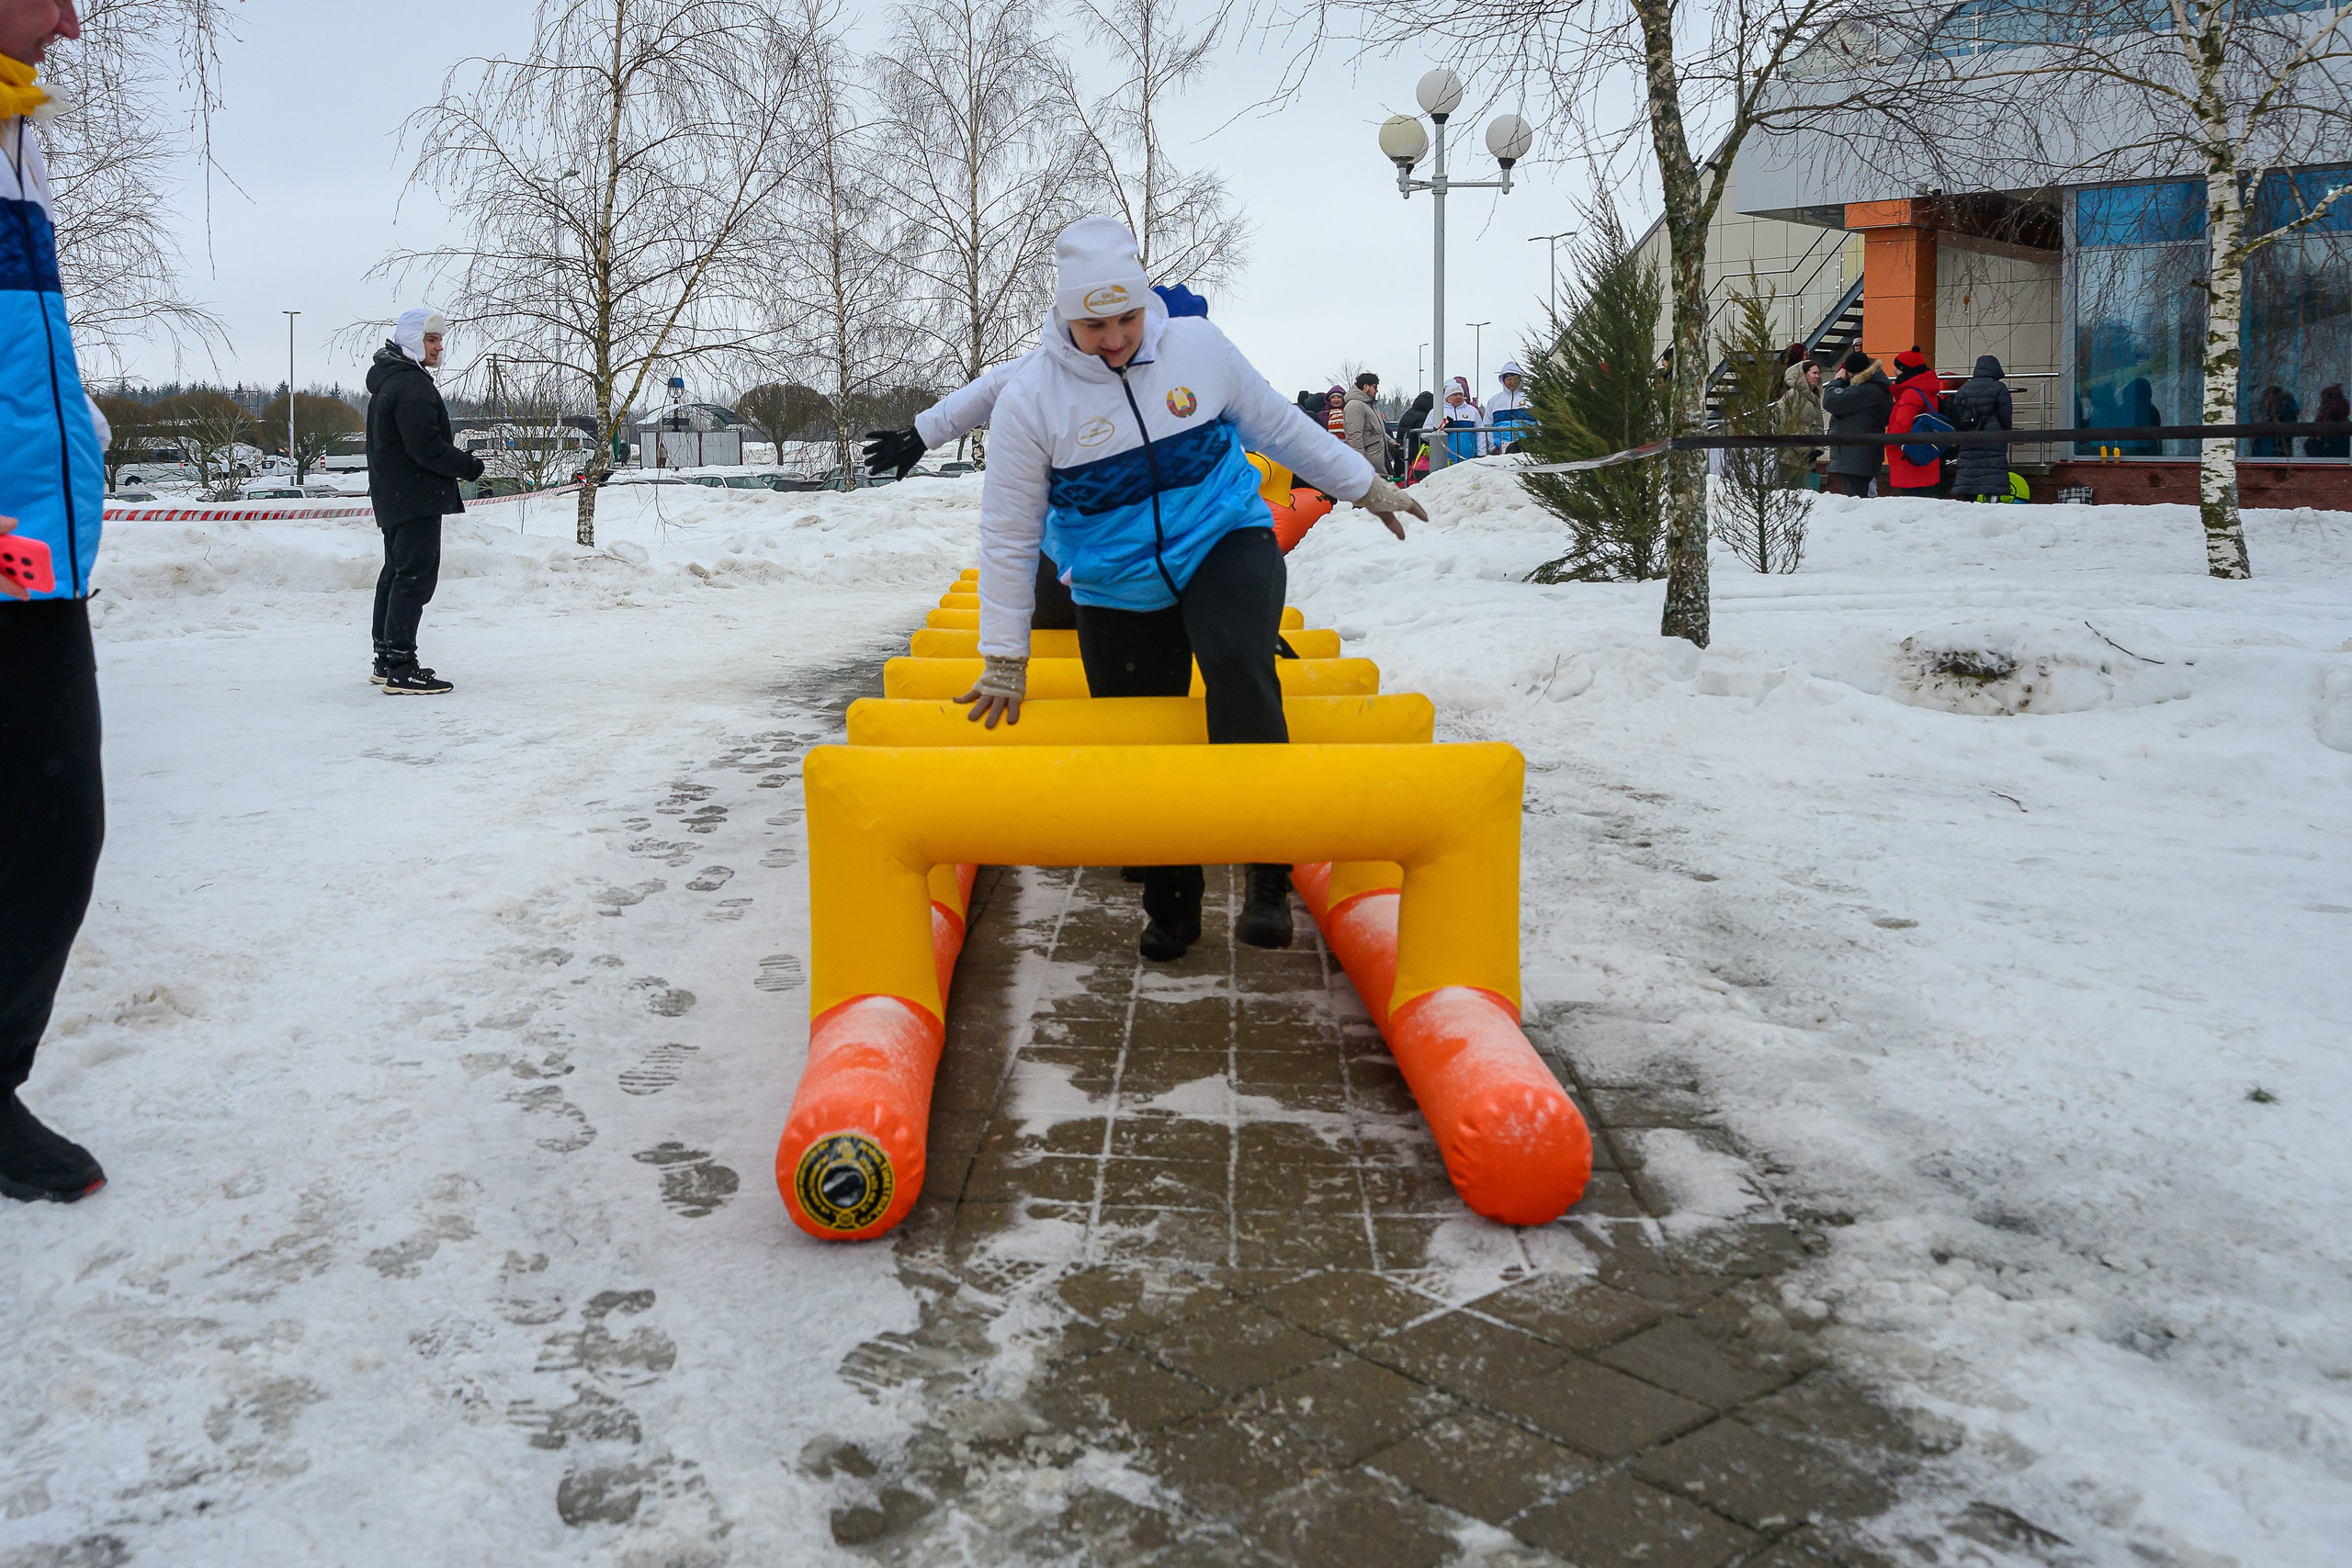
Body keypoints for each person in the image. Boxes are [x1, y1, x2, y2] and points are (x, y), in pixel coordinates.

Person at [956, 217, 1426, 962]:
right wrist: (1005, 657)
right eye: (1094, 325)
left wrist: (1365, 485)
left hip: (1223, 538)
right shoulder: (1032, 400)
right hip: (1115, 581)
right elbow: (1009, 534)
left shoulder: (1196, 349)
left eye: (1126, 318)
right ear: (1065, 317)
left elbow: (1278, 425)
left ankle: (1268, 869)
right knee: (1142, 734)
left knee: (1238, 662)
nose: (1115, 338)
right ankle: (1172, 900)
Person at [1, 0, 111, 1205]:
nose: (71, 23)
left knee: (52, 822)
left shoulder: (14, 135)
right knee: (48, 820)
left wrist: (80, 431)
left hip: (32, 543)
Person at [862, 285, 1209, 632]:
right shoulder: (1071, 364)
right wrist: (922, 433)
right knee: (1053, 608)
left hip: (1170, 540)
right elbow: (993, 386)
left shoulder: (1199, 383)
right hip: (1080, 546)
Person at [366, 309, 485, 694]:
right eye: (431, 340)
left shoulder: (390, 380)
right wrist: (468, 466)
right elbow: (426, 447)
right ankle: (402, 667)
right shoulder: (411, 385)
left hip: (395, 496)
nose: (438, 347)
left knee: (395, 574)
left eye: (439, 340)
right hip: (415, 497)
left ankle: (386, 659)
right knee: (414, 579)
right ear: (412, 340)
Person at [1820, 351, 1893, 497]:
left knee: (1856, 499)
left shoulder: (1865, 390)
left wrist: (1837, 381)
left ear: (1851, 372)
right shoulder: (1877, 387)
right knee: (1862, 497)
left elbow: (1831, 401)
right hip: (1864, 454)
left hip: (1855, 456)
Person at [1949, 355, 2016, 501]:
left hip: (1968, 438)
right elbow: (2005, 416)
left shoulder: (1963, 389)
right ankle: (1992, 502)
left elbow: (1956, 414)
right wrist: (2006, 435)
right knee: (1992, 475)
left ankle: (1968, 503)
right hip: (1993, 438)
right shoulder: (1999, 388)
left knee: (1969, 476)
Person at [1883, 347, 1944, 497]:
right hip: (1924, 456)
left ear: (1907, 371)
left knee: (1912, 502)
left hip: (1909, 460)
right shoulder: (1926, 390)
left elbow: (1902, 424)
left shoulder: (1911, 393)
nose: (1895, 371)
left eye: (1898, 368)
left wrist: (1889, 442)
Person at [1774, 358, 1826, 489]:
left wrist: (1817, 448)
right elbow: (1786, 425)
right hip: (1790, 457)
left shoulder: (1814, 398)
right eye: (1814, 373)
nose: (1817, 376)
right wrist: (1803, 447)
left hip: (1808, 456)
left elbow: (1819, 424)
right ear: (1803, 375)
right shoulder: (1792, 396)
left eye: (1818, 373)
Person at [1341, 372, 1393, 476]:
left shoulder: (1370, 406)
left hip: (1376, 463)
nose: (1377, 390)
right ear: (1366, 387)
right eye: (1375, 387)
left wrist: (1391, 442)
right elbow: (1354, 437)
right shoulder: (1355, 406)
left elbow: (1377, 430)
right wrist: (1360, 463)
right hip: (1368, 465)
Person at [1436, 377, 1483, 463]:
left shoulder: (1472, 411)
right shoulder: (1437, 412)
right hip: (1444, 460)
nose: (1458, 397)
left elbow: (1481, 433)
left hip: (1469, 459)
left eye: (1460, 394)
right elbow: (1425, 434)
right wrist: (1441, 430)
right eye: (1455, 395)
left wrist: (1481, 453)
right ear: (1447, 397)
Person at [1488, 362, 1533, 452]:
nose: (1513, 382)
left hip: (1529, 448)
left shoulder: (1531, 399)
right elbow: (1487, 427)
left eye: (1516, 379)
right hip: (1501, 449)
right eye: (1509, 379)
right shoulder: (1493, 401)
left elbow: (1541, 423)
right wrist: (1493, 448)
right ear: (1503, 380)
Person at [2251, 384, 2301, 457]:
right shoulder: (2271, 414)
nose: (2265, 401)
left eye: (2267, 396)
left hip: (2275, 451)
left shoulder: (2283, 408)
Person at [1395, 389, 1434, 481]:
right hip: (1414, 455)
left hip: (1403, 454)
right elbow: (1423, 436)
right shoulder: (1423, 417)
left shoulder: (1410, 413)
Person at [2308, 384, 2349, 458]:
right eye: (2323, 403)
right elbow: (2310, 447)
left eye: (2326, 403)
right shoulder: (2321, 420)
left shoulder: (2343, 425)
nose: (2324, 406)